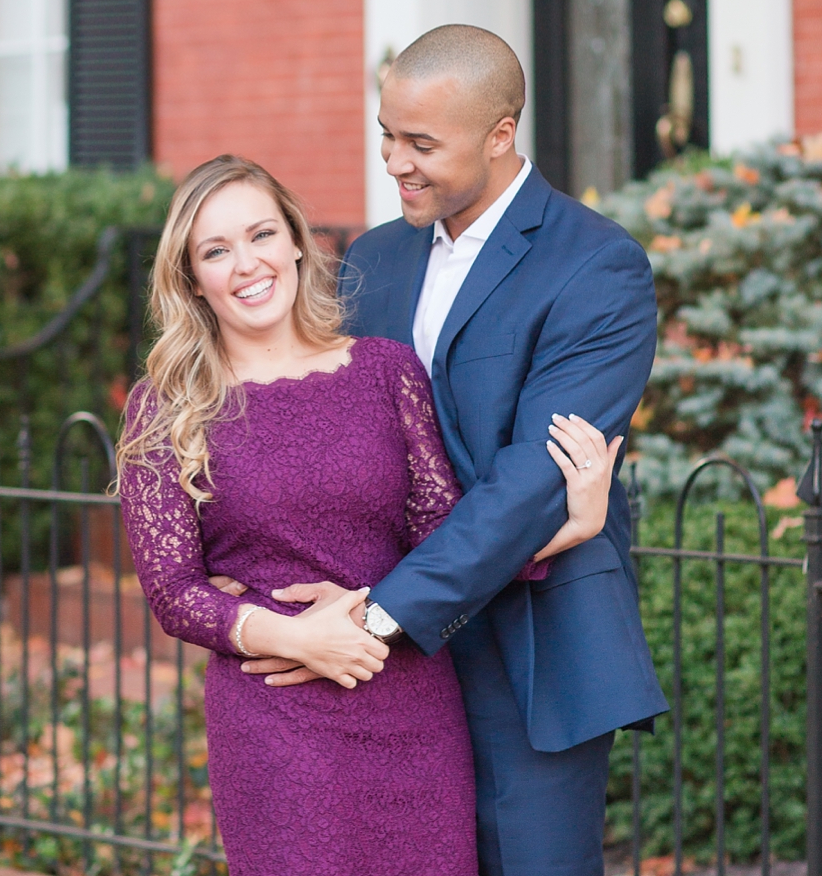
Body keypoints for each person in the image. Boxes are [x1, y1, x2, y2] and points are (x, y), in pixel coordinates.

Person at [116, 152, 621, 876]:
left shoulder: (386, 371)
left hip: (410, 702)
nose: (247, 263)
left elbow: (444, 540)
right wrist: (293, 636)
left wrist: (569, 525)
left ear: (296, 239)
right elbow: (172, 589)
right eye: (216, 250)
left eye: (261, 234)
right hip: (276, 718)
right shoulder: (165, 407)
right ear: (193, 277)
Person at [240, 25, 668, 876]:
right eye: (387, 137)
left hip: (531, 648)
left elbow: (530, 481)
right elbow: (324, 427)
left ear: (501, 134)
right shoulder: (374, 257)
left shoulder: (598, 267)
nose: (396, 162)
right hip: (383, 658)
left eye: (422, 144)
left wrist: (379, 610)